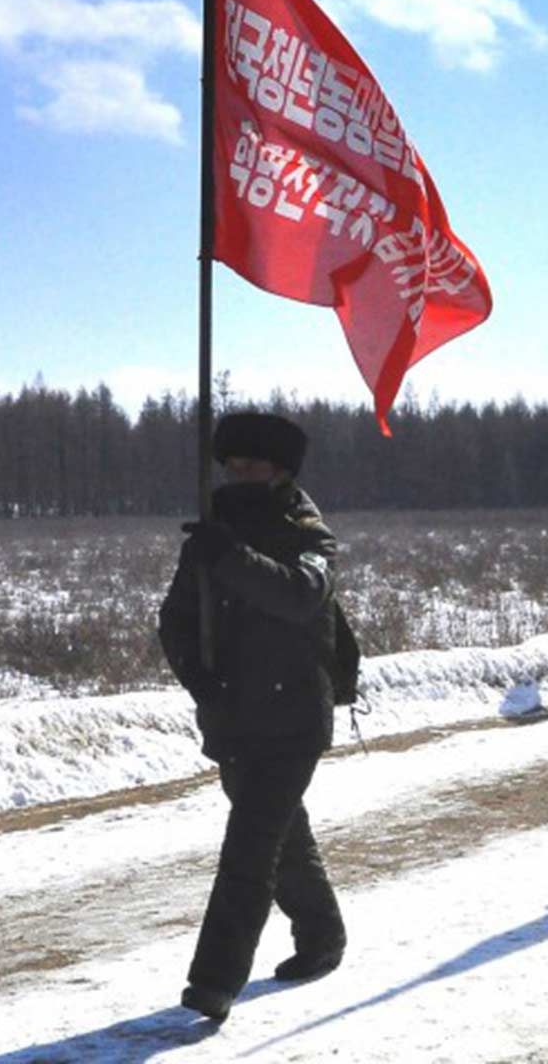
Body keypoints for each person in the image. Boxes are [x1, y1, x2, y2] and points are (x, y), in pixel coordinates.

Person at [158, 412, 347, 1023]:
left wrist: (229, 556)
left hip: (294, 717)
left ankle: (214, 981)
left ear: (282, 472)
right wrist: (199, 677)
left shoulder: (311, 535)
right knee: (281, 835)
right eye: (233, 467)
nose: (240, 477)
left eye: (254, 468)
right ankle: (322, 935)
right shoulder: (213, 538)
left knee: (250, 846)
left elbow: (298, 596)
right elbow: (176, 620)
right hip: (233, 715)